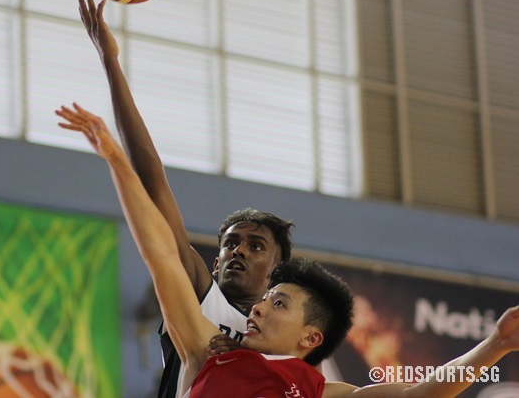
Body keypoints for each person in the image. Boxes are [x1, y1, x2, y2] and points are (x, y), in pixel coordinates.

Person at [56, 103, 519, 397]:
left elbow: (420, 395)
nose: (258, 308)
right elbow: (159, 253)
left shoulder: (321, 392)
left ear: (310, 338)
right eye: (265, 300)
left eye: (277, 303)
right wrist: (117, 162)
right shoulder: (208, 353)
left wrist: (496, 344)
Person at [78, 0, 294, 397]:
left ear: (277, 274)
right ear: (214, 264)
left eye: (255, 246)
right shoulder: (204, 300)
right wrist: (111, 62)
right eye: (230, 245)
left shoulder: (290, 351)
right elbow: (152, 179)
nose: (239, 252)